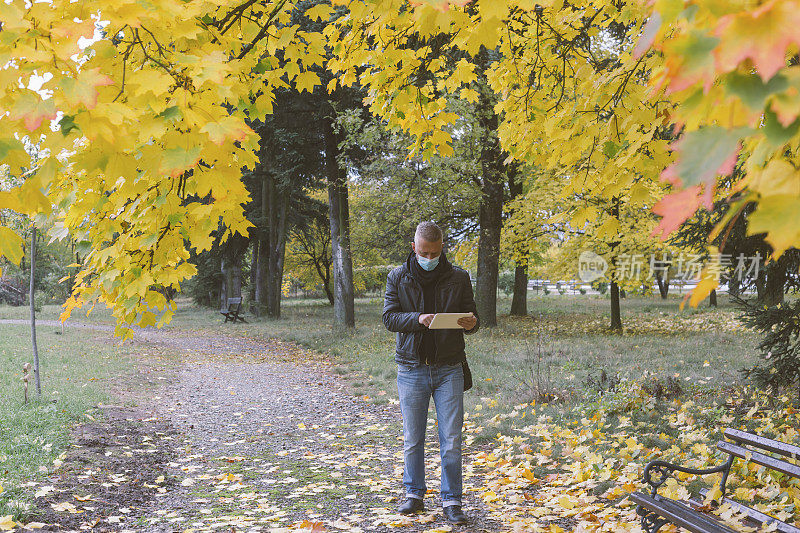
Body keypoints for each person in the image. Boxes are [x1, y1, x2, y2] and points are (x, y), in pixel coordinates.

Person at [382, 221, 479, 525]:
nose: (429, 257)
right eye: (424, 252)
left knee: (451, 439)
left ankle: (452, 501)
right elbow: (389, 318)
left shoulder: (459, 277)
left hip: (449, 367)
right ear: (414, 247)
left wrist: (472, 323)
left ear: (442, 248)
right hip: (411, 367)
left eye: (434, 252)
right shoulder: (397, 276)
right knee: (413, 437)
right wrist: (417, 318)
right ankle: (414, 495)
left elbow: (473, 316)